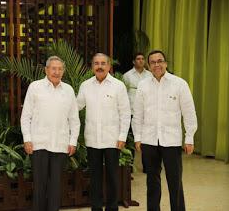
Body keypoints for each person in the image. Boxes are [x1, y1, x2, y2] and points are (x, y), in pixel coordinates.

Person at [132, 50, 197, 211]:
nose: (156, 65)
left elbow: (189, 113)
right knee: (152, 183)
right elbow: (138, 114)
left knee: (175, 181)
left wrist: (189, 138)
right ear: (149, 65)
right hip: (149, 140)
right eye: (153, 62)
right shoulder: (143, 86)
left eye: (160, 61)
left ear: (166, 63)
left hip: (172, 140)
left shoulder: (179, 84)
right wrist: (138, 138)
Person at [20, 56, 80, 211]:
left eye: (60, 69)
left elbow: (74, 119)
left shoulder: (68, 90)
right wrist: (27, 139)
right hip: (39, 144)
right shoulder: (35, 87)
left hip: (60, 145)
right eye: (53, 68)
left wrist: (73, 141)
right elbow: (26, 116)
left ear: (63, 71)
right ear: (46, 70)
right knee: (39, 186)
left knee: (56, 187)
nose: (57, 72)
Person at [77, 53, 131, 211]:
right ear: (92, 66)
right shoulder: (85, 85)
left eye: (103, 63)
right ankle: (96, 207)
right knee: (95, 177)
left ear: (109, 66)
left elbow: (125, 113)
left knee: (113, 177)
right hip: (92, 139)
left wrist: (122, 136)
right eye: (96, 63)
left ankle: (112, 207)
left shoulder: (118, 86)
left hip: (112, 140)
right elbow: (76, 106)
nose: (99, 66)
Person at [123, 52, 152, 173]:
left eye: (142, 59)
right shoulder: (127, 76)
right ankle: (129, 166)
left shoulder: (150, 75)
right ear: (134, 62)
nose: (140, 61)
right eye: (138, 59)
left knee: (146, 140)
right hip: (131, 111)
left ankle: (147, 166)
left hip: (147, 112)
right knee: (131, 140)